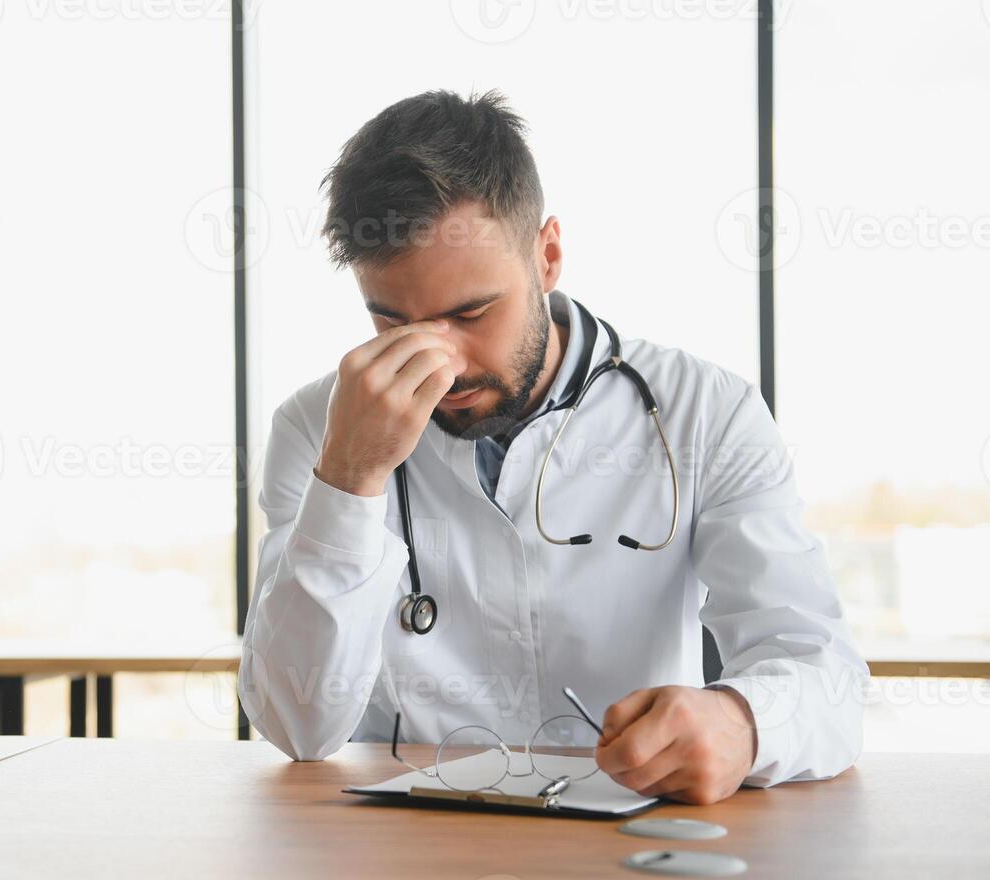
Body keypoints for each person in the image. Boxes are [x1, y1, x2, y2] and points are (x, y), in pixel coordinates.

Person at [237, 89, 867, 804]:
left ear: (547, 256)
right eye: (390, 321)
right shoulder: (316, 428)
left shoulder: (705, 412)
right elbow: (297, 726)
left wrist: (743, 723)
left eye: (470, 312)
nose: (437, 362)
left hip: (630, 842)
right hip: (401, 853)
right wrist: (349, 478)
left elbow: (825, 677)